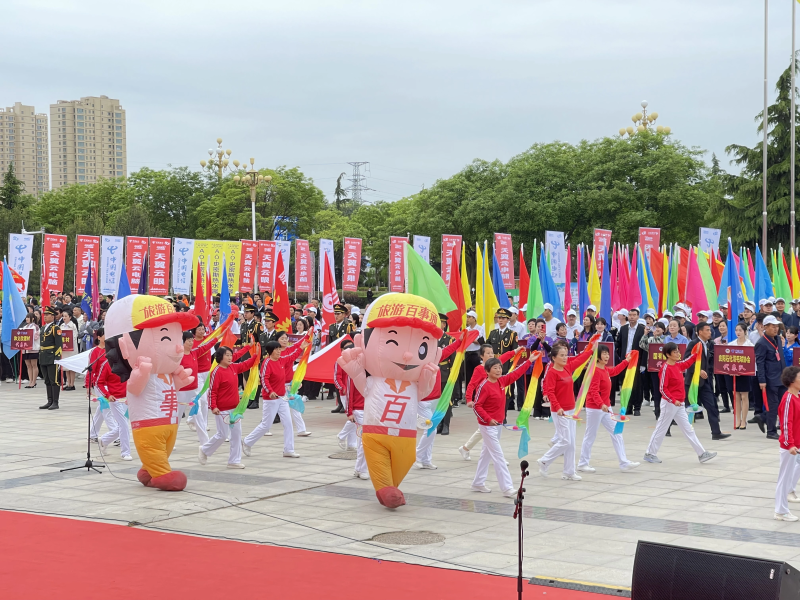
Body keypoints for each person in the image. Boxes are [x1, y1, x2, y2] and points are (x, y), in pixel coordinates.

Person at [470, 355, 534, 496]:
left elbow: (516, 374)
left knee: (486, 454)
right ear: (487, 371)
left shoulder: (501, 382)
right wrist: (488, 419)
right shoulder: (484, 386)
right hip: (487, 426)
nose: (499, 370)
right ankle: (507, 488)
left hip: (498, 425)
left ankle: (478, 483)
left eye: (500, 367)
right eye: (495, 368)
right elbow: (477, 406)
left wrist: (529, 361)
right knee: (498, 456)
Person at [644, 342, 717, 464]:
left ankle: (702, 454)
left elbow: (687, 363)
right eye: (675, 352)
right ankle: (650, 453)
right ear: (668, 354)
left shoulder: (677, 365)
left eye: (678, 351)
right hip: (669, 404)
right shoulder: (665, 368)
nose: (678, 353)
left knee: (688, 429)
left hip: (679, 404)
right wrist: (673, 400)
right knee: (661, 428)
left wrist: (696, 354)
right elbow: (662, 388)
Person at [536, 340, 596, 481]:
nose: (565, 357)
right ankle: (545, 460)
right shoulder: (552, 373)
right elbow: (550, 393)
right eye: (561, 355)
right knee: (565, 441)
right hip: (559, 411)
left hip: (571, 409)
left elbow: (581, 359)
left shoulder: (568, 367)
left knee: (571, 442)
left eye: (566, 354)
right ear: (554, 358)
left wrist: (591, 350)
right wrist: (558, 408)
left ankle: (569, 472)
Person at [577, 346, 639, 473]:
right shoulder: (594, 371)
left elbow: (615, 371)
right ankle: (582, 463)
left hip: (606, 408)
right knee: (590, 435)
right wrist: (601, 404)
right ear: (598, 357)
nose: (607, 356)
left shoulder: (604, 369)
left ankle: (624, 462)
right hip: (595, 408)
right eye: (604, 354)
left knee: (616, 432)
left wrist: (626, 361)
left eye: (607, 354)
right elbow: (593, 391)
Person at [198, 346, 260, 469]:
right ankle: (204, 450)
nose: (230, 357)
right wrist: (213, 406)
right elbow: (212, 391)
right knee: (222, 435)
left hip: (235, 409)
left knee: (237, 434)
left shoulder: (233, 367)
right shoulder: (216, 372)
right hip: (222, 409)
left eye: (231, 355)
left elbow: (246, 364)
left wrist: (255, 355)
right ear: (220, 357)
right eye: (227, 355)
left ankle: (234, 461)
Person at [458, 343, 523, 459]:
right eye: (488, 353)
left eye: (492, 352)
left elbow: (505, 357)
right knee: (488, 429)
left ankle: (466, 448)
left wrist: (516, 351)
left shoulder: (495, 365)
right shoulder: (479, 369)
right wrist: (469, 399)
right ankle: (497, 457)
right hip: (483, 403)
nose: (491, 355)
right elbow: (471, 384)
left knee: (485, 430)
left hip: (495, 402)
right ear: (481, 356)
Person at [242, 340, 304, 458]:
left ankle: (288, 449)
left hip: (282, 398)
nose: (279, 351)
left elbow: (292, 356)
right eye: (276, 350)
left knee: (288, 423)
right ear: (270, 352)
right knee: (266, 425)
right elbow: (264, 379)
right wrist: (270, 391)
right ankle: (247, 441)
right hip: (271, 399)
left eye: (279, 349)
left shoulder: (281, 360)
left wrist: (301, 347)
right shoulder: (267, 363)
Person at [684, 322, 729, 440]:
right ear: (699, 332)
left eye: (710, 330)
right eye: (707, 330)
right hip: (692, 382)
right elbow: (686, 361)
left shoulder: (709, 344)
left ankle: (716, 432)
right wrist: (697, 370)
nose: (710, 332)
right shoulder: (693, 344)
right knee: (685, 408)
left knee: (712, 406)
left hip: (705, 382)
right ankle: (668, 428)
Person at [178, 331, 216, 445]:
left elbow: (207, 346)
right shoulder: (178, 357)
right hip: (181, 392)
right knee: (176, 418)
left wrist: (218, 336)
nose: (191, 342)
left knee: (198, 415)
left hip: (193, 392)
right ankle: (170, 442)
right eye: (188, 340)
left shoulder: (194, 353)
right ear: (182, 342)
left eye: (192, 340)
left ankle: (205, 443)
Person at [95, 349, 133, 461]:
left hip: (127, 399)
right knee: (124, 425)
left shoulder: (128, 362)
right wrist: (107, 395)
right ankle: (125, 452)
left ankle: (104, 440)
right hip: (115, 400)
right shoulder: (106, 365)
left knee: (122, 425)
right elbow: (98, 383)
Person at [756, 315, 788, 440]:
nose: (775, 329)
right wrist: (762, 380)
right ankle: (771, 431)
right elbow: (760, 363)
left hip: (781, 378)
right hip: (770, 379)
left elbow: (781, 358)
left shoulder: (778, 339)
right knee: (773, 405)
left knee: (783, 404)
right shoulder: (761, 343)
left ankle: (763, 417)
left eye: (777, 326)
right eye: (773, 326)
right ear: (765, 327)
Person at [274, 330, 312, 436]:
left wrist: (309, 334)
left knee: (295, 406)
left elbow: (300, 342)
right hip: (278, 385)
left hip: (289, 384)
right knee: (273, 408)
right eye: (282, 338)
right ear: (277, 340)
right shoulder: (275, 352)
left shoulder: (290, 349)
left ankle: (301, 430)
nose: (285, 340)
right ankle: (265, 428)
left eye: (286, 338)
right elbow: (291, 357)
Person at [774, 366, 800, 522]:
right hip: (789, 447)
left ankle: (783, 508)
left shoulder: (797, 397)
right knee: (783, 478)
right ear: (792, 381)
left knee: (787, 477)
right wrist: (789, 444)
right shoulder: (789, 398)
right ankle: (780, 511)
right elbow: (786, 423)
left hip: (795, 445)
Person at [616, 308, 646, 416]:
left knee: (637, 385)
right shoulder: (623, 329)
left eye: (634, 315)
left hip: (637, 361)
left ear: (638, 317)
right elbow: (618, 344)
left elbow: (645, 348)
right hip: (625, 360)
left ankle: (637, 407)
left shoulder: (643, 329)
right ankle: (627, 406)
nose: (632, 317)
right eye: (630, 315)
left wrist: (643, 364)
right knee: (625, 383)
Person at [187, 321, 212, 439]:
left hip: (207, 372)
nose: (202, 331)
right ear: (194, 331)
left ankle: (194, 420)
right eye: (199, 329)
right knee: (201, 400)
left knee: (204, 400)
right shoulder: (193, 343)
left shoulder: (207, 339)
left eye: (203, 329)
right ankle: (194, 420)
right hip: (197, 373)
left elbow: (216, 336)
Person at [328, 303, 355, 410]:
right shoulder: (332, 327)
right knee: (337, 379)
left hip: (347, 357)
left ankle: (347, 403)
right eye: (335, 314)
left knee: (346, 380)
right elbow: (330, 343)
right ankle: (340, 403)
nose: (336, 316)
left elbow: (352, 340)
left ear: (344, 315)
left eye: (338, 314)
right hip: (336, 357)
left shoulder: (349, 326)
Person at [728, 322, 755, 430]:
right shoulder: (731, 344)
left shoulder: (749, 345)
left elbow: (752, 361)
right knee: (736, 397)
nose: (738, 332)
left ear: (745, 331)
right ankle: (737, 419)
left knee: (744, 396)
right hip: (734, 373)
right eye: (737, 330)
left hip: (745, 374)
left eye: (740, 330)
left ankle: (744, 420)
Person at [38, 307, 62, 410]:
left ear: (52, 316)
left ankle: (55, 402)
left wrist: (57, 358)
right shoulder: (43, 328)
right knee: (47, 380)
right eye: (45, 314)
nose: (45, 316)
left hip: (52, 356)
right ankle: (49, 401)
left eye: (47, 314)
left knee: (54, 380)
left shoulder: (55, 328)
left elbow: (59, 344)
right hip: (43, 355)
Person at [713, 321, 732, 414]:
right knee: (721, 387)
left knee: (730, 387)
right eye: (720, 326)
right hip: (719, 366)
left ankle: (734, 406)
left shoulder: (732, 339)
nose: (721, 328)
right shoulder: (716, 340)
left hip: (729, 366)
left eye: (723, 326)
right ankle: (726, 406)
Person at [60, 311, 78, 391]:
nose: (64, 318)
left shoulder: (73, 326)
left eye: (66, 316)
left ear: (70, 317)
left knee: (71, 367)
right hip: (64, 349)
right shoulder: (61, 326)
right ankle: (68, 383)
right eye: (63, 316)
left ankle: (72, 384)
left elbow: (74, 336)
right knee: (66, 367)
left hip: (71, 349)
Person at [21, 313, 40, 388]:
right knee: (28, 365)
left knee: (34, 365)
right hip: (25, 349)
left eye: (28, 317)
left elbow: (36, 337)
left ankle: (34, 381)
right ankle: (30, 381)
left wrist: (29, 336)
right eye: (26, 317)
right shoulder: (25, 326)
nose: (27, 319)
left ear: (32, 318)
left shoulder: (35, 326)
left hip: (33, 348)